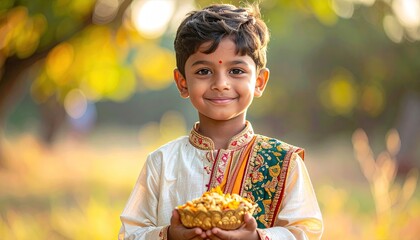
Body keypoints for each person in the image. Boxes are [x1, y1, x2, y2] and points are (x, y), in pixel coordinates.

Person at [119, 3, 323, 240]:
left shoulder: (285, 162)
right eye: (204, 72)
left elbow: (305, 232)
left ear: (259, 81)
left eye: (236, 71)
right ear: (182, 82)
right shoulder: (162, 163)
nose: (221, 84)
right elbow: (131, 234)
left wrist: (256, 237)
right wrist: (169, 235)